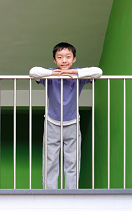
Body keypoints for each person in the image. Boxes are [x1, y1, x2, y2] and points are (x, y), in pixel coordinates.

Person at [29, 42, 102, 189]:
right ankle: (50, 195)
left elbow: (98, 72)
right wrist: (54, 73)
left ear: (74, 59)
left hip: (73, 123)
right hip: (52, 123)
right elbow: (33, 71)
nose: (64, 60)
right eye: (60, 57)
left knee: (72, 162)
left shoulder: (79, 75)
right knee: (50, 162)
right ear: (54, 60)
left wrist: (74, 73)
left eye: (68, 57)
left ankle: (71, 194)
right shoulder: (50, 74)